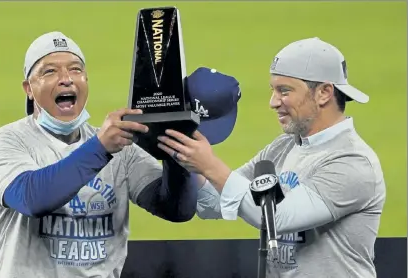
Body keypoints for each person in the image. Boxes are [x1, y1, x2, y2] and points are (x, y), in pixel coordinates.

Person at [0, 31, 237, 278]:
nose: (66, 78)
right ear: (28, 89)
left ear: (86, 81)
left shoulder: (119, 147)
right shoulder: (3, 142)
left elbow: (175, 209)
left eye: (76, 69)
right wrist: (100, 149)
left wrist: (175, 145)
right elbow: (32, 198)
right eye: (50, 71)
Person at [157, 37, 386, 277]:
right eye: (273, 90)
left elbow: (277, 218)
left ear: (324, 93)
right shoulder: (284, 147)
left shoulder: (352, 162)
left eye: (284, 91)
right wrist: (182, 154)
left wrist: (211, 165)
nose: (273, 102)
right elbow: (213, 203)